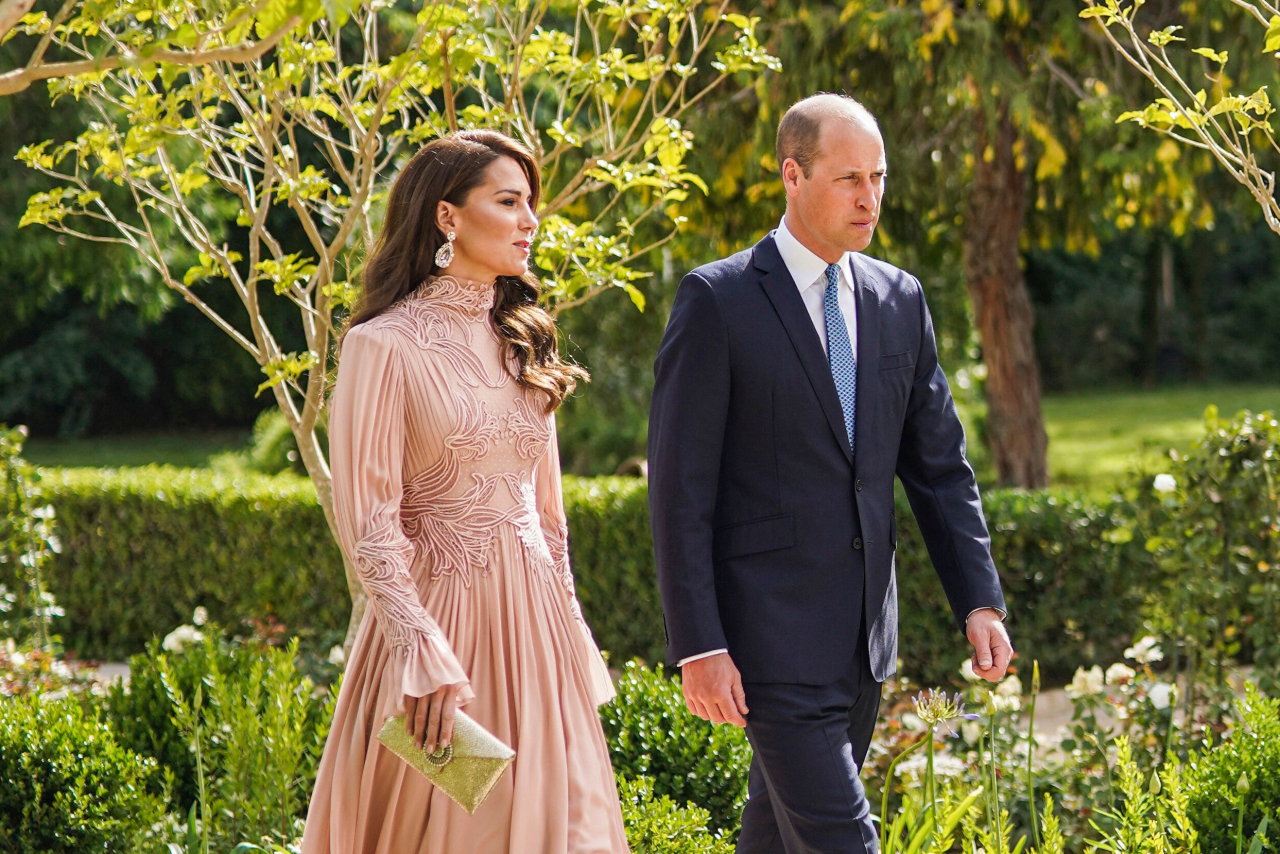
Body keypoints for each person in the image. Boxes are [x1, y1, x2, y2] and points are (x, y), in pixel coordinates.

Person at [647, 93, 1014, 854]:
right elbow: (680, 492)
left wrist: (978, 600)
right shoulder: (717, 301)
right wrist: (699, 644)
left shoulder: (898, 299)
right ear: (792, 174)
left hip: (862, 644)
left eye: (878, 176)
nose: (869, 196)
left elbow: (940, 468)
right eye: (849, 177)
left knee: (778, 843)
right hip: (766, 643)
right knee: (846, 842)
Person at [301, 129, 629, 854]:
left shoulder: (525, 342)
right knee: (464, 829)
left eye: (531, 203)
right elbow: (371, 523)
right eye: (509, 201)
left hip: (538, 636)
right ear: (447, 217)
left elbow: (549, 518)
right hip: (441, 641)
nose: (530, 220)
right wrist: (421, 649)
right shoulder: (381, 345)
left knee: (562, 831)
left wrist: (572, 635)